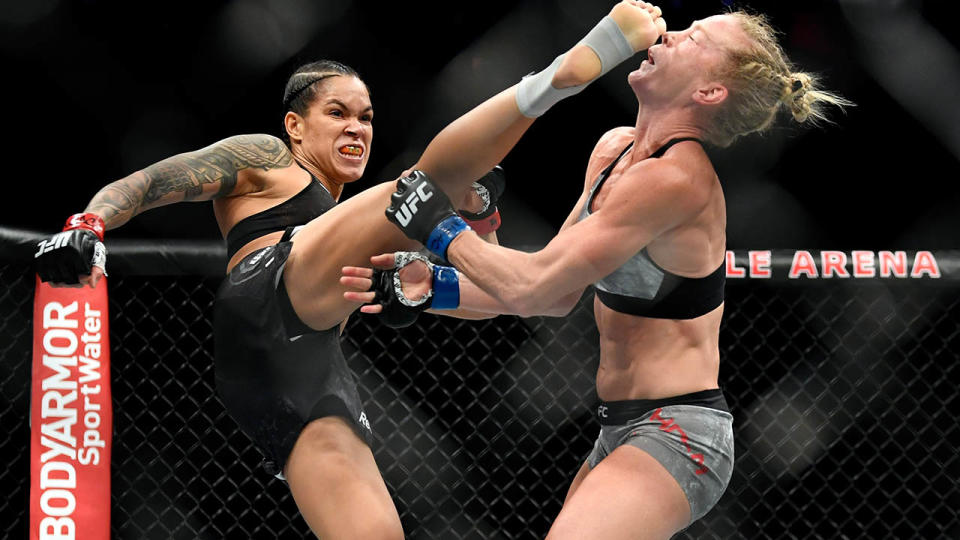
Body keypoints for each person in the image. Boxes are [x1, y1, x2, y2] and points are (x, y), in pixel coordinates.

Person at [33, 1, 667, 537]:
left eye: (365, 116)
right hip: (272, 292)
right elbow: (151, 182)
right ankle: (562, 74)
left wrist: (463, 239)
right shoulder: (268, 158)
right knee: (416, 187)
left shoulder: (350, 217)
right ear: (294, 124)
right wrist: (88, 224)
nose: (357, 128)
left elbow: (472, 283)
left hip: (303, 373)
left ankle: (495, 212)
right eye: (337, 113)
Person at [342, 4, 850, 539]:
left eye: (695, 39)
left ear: (709, 93)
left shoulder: (679, 181)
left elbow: (533, 285)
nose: (671, 33)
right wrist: (432, 288)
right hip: (617, 429)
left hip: (677, 433)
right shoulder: (616, 150)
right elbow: (550, 295)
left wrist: (440, 226)